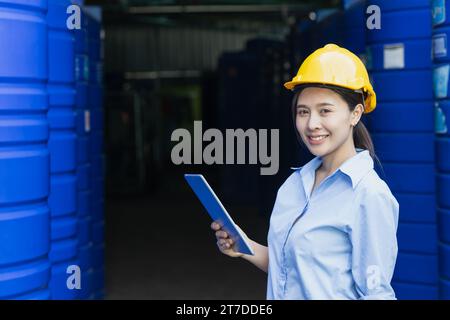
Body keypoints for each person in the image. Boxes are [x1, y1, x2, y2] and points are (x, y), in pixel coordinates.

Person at [211, 44, 399, 300]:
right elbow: (289, 269)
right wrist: (244, 247)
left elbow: (377, 295)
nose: (311, 124)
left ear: (355, 113)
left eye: (325, 111)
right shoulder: (294, 184)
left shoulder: (369, 195)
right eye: (303, 112)